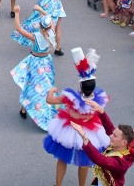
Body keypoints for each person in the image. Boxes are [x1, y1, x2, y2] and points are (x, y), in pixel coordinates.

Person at [44, 48, 110, 186]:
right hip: (89, 133)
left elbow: (50, 100)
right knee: (84, 163)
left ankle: (58, 185)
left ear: (80, 85)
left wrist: (51, 90)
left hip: (67, 131)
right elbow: (99, 113)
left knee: (62, 159)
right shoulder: (99, 99)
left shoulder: (70, 98)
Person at [10, 4, 57, 129]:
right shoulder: (52, 31)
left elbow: (18, 28)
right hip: (47, 63)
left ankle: (24, 108)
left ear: (40, 26)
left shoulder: (36, 37)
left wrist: (17, 13)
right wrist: (42, 10)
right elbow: (50, 19)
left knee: (30, 85)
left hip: (35, 62)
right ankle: (46, 107)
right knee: (47, 86)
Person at [71, 110, 134, 186]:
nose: (110, 136)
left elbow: (100, 159)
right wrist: (101, 111)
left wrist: (84, 138)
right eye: (113, 134)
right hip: (102, 179)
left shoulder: (120, 163)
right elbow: (109, 128)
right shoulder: (122, 146)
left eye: (115, 135)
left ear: (124, 142)